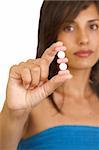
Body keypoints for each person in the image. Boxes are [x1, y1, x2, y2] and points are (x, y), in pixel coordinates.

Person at [0, 0, 99, 149]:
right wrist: (12, 112)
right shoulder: (29, 104)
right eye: (69, 27)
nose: (83, 39)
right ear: (52, 34)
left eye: (93, 26)